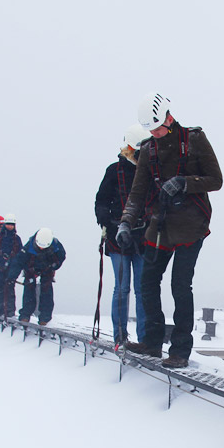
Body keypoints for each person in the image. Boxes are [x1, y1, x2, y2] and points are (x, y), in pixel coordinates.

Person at [116, 93, 223, 368]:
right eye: (150, 129)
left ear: (168, 117)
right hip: (160, 225)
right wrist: (126, 222)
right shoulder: (149, 149)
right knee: (148, 282)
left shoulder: (194, 140)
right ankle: (152, 342)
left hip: (191, 225)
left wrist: (184, 182)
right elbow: (137, 193)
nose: (155, 133)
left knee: (180, 285)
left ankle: (180, 350)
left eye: (157, 127)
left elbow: (216, 180)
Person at [95, 124, 149, 346]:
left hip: (142, 237)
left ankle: (145, 338)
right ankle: (120, 335)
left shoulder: (147, 171)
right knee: (123, 287)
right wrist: (107, 222)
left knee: (142, 288)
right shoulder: (113, 171)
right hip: (118, 238)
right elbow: (101, 201)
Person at [7, 228, 66, 325]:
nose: (41, 249)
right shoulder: (29, 246)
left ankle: (45, 318)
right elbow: (19, 261)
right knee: (28, 293)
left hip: (47, 271)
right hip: (31, 271)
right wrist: (12, 277)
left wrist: (54, 266)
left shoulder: (56, 245)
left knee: (46, 293)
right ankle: (25, 316)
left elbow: (61, 257)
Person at [0, 213, 22, 318]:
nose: (10, 226)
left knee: (10, 290)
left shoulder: (16, 239)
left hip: (11, 269)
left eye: (12, 224)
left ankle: (10, 311)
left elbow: (20, 254)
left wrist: (17, 267)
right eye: (8, 224)